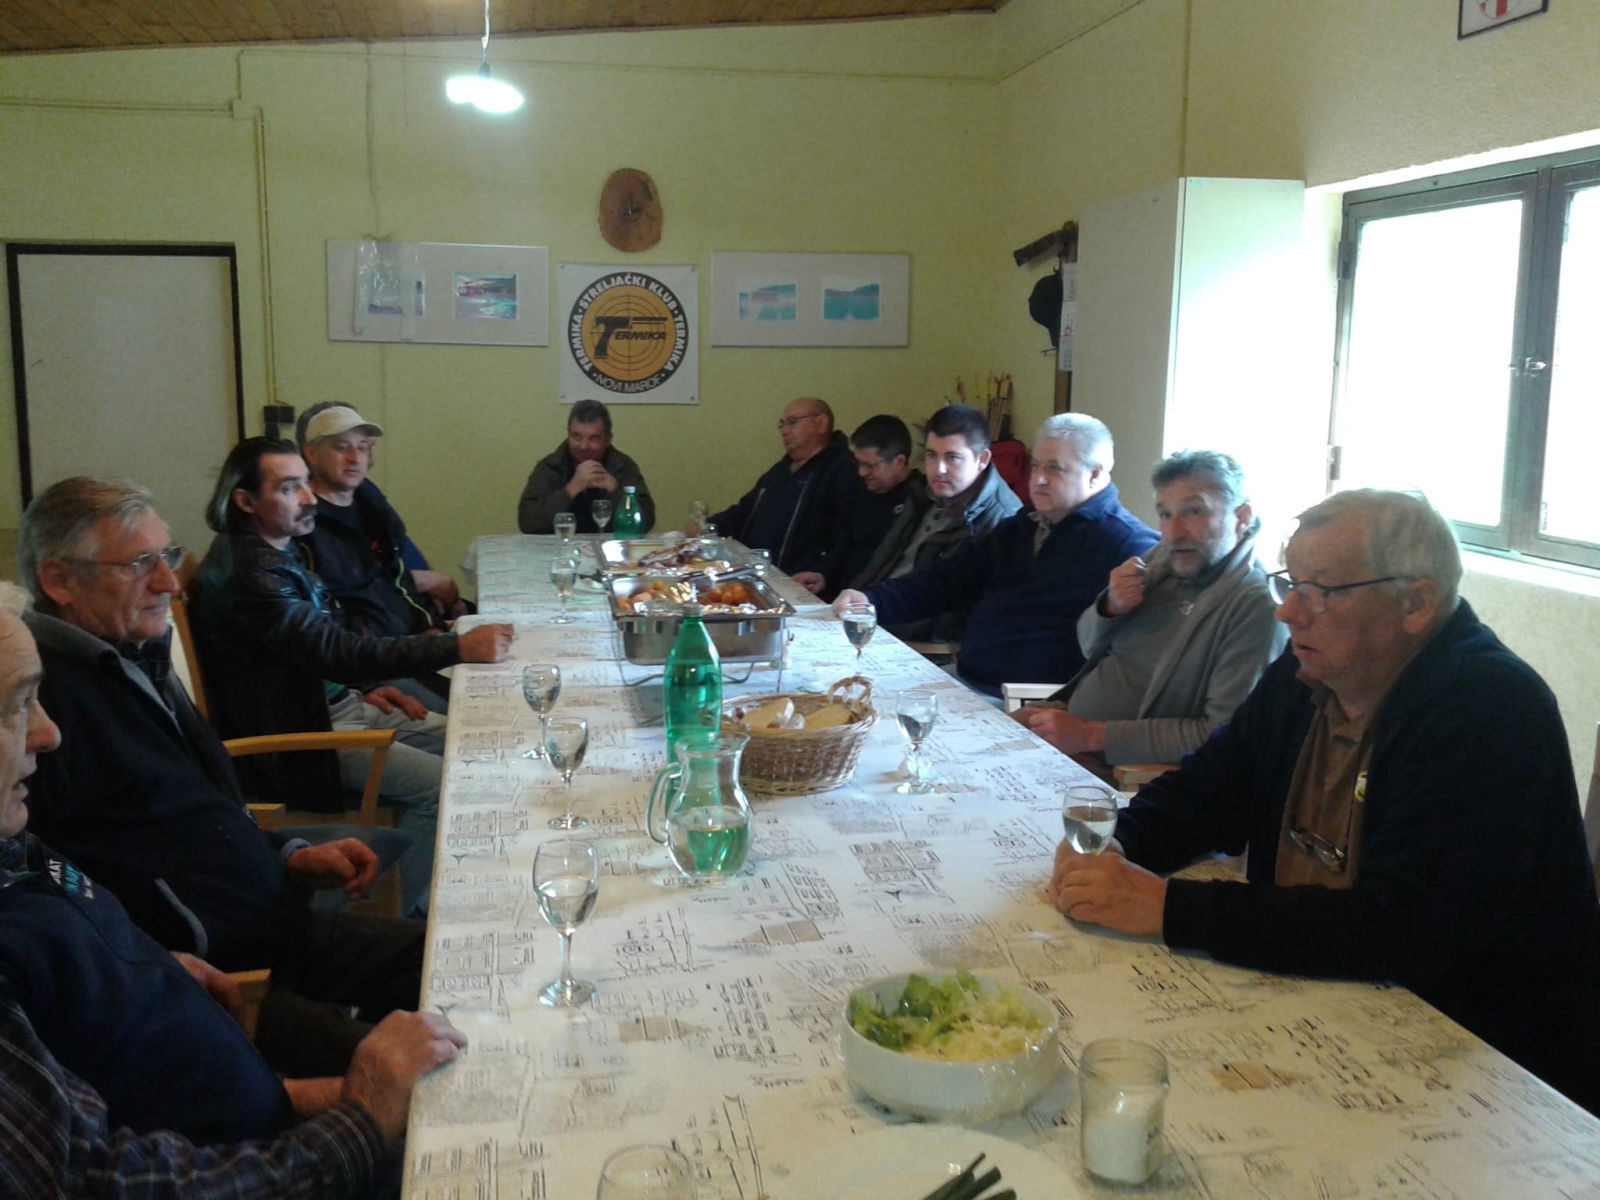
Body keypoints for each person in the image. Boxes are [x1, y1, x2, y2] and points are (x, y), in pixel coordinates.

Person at [1046, 490, 1600, 1116]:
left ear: (1415, 603)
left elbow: (1405, 929)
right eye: (1290, 583)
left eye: (1320, 591)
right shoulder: (1307, 672)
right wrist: (1119, 842)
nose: (1287, 612)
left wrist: (1168, 907)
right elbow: (1212, 786)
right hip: (1321, 1000)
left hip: (1485, 1066)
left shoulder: (1490, 709)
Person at [0, 581, 467, 1196]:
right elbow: (96, 1182)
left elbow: (197, 819)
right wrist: (361, 1119)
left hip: (260, 1089)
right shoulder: (77, 720)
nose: (47, 734)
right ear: (62, 579)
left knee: (464, 1000)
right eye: (15, 705)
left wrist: (153, 964)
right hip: (270, 1152)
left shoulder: (17, 842)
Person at [18, 476, 428, 1079]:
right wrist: (168, 966)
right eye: (138, 564)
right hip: (224, 988)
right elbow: (68, 885)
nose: (167, 581)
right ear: (58, 580)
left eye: (167, 555)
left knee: (456, 959)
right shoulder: (43, 708)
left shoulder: (131, 658)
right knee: (422, 1075)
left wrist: (287, 854)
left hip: (275, 924)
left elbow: (188, 814)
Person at [189, 438, 514, 915]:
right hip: (303, 739)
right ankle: (390, 920)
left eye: (305, 484)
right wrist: (458, 646)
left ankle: (421, 891)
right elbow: (338, 651)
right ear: (245, 501)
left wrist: (363, 686)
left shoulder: (277, 549)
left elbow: (316, 646)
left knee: (478, 744)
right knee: (447, 787)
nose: (308, 498)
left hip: (329, 706)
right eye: (289, 488)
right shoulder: (253, 575)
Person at [834, 414, 1157, 694]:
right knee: (847, 700)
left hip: (1028, 704)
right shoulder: (1023, 526)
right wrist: (870, 601)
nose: (1038, 479)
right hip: (964, 680)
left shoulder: (1129, 544)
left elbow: (1133, 659)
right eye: (1035, 465)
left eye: (1055, 469)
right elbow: (945, 581)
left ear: (1096, 473)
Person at [1015, 450, 1286, 767]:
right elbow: (1087, 645)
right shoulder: (1162, 560)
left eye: (1194, 511)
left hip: (1118, 770)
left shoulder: (1255, 604)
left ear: (1242, 517)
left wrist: (1091, 735)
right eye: (1165, 514)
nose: (1173, 533)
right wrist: (1109, 608)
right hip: (1067, 727)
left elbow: (1223, 735)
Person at [296, 401, 460, 711]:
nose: (354, 458)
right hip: (372, 665)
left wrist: (430, 625)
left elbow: (397, 576)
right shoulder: (302, 525)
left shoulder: (370, 506)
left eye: (362, 447)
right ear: (312, 454)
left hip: (408, 646)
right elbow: (318, 623)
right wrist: (365, 682)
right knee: (464, 715)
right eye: (341, 447)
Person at [840, 402, 1021, 642]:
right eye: (931, 455)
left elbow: (950, 610)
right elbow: (881, 561)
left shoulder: (1003, 518)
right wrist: (860, 601)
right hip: (875, 615)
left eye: (952, 457)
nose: (939, 469)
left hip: (919, 642)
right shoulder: (923, 494)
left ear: (982, 459)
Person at [710, 396, 859, 574]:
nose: (784, 431)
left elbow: (847, 536)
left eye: (792, 422)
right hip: (757, 573)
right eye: (782, 425)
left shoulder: (844, 469)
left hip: (801, 581)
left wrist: (823, 573)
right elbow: (746, 510)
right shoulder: (781, 469)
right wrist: (707, 527)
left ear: (821, 423)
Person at [794, 414, 920, 600]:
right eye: (858, 463)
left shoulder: (919, 501)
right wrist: (823, 575)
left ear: (899, 461)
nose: (861, 472)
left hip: (878, 601)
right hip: (839, 597)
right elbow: (842, 545)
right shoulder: (859, 490)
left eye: (870, 465)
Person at [517, 398, 655, 535]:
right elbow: (527, 523)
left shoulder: (622, 466)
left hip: (610, 546)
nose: (583, 446)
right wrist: (571, 489)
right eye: (577, 437)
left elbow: (646, 522)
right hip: (560, 546)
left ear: (608, 440)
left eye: (593, 438)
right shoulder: (551, 466)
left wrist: (615, 489)